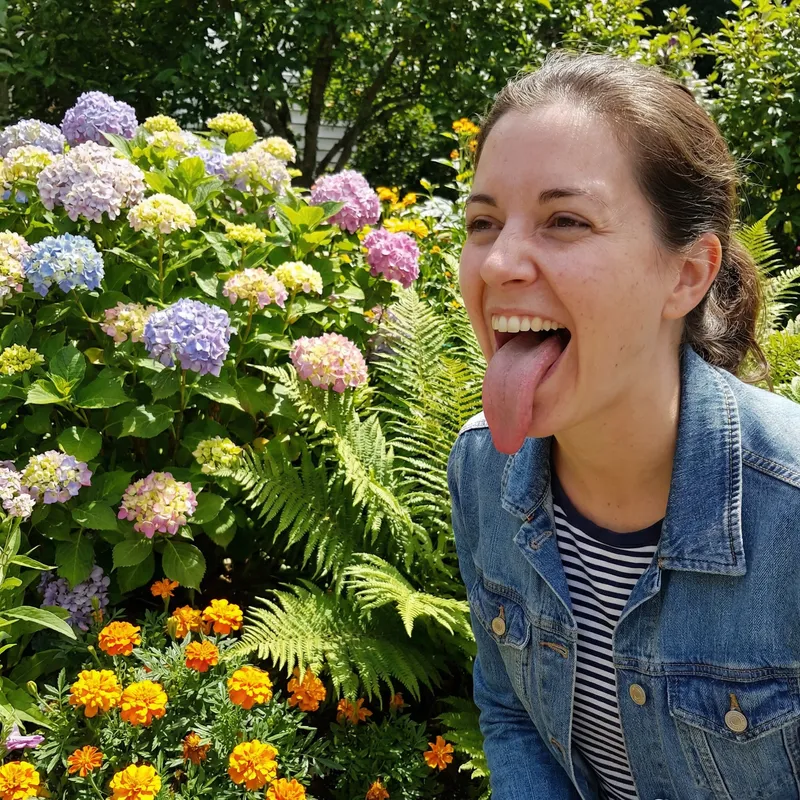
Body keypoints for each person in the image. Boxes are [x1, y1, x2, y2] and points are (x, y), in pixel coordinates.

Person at [447, 50, 800, 800]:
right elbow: (511, 710)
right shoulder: (481, 469)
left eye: (565, 220)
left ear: (687, 274)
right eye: (483, 222)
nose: (499, 260)